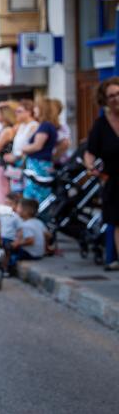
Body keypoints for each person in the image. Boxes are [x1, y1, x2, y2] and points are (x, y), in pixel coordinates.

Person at [85, 76, 119, 271]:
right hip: (114, 180)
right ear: (105, 100)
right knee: (118, 222)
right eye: (111, 96)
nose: (116, 99)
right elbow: (90, 152)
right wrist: (91, 168)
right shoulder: (101, 124)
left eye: (118, 94)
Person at [22, 98, 58, 202]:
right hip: (42, 164)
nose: (34, 110)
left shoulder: (45, 126)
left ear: (43, 109)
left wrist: (23, 148)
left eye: (37, 107)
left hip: (38, 165)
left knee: (36, 196)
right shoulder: (49, 125)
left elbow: (37, 146)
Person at [0, 101, 18, 204]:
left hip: (0, 167)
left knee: (1, 196)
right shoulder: (7, 129)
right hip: (2, 166)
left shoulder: (6, 131)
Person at [4, 198, 48, 266]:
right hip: (40, 253)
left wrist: (17, 244)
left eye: (19, 207)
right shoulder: (39, 222)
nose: (16, 209)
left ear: (25, 211)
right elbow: (48, 235)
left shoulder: (25, 225)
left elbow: (30, 241)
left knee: (10, 251)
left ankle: (7, 268)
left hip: (31, 253)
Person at [0, 192, 22, 276]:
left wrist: (17, 241)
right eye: (6, 203)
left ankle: (5, 269)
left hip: (9, 239)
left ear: (15, 206)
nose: (7, 206)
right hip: (0, 237)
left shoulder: (16, 217)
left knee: (7, 254)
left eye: (10, 204)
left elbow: (20, 230)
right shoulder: (1, 214)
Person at [49, 99, 71, 167]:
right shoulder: (44, 124)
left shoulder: (62, 126)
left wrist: (53, 158)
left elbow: (65, 143)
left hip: (56, 162)